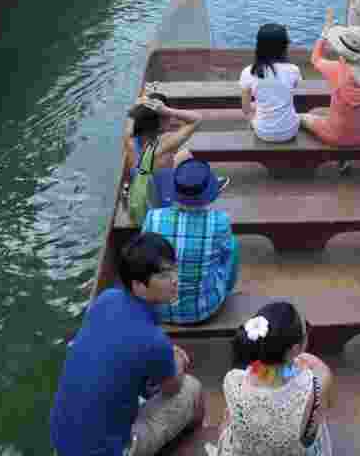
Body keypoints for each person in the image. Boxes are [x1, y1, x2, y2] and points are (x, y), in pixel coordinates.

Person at [50, 232, 205, 456]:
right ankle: (191, 445)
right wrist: (177, 362)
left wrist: (164, 355)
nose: (174, 279)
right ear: (139, 286)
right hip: (110, 451)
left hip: (61, 441)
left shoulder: (106, 299)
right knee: (192, 388)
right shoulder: (154, 341)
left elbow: (122, 347)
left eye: (173, 268)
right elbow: (172, 388)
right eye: (163, 275)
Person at [218, 301, 335, 456]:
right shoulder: (310, 385)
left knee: (228, 419)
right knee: (318, 419)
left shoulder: (234, 380)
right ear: (295, 349)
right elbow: (325, 402)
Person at [142, 158, 239, 324]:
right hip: (204, 310)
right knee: (233, 246)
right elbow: (226, 257)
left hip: (159, 308)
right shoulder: (220, 221)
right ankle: (225, 291)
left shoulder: (153, 217)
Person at [124, 90, 229, 208]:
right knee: (189, 163)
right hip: (161, 205)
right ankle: (205, 186)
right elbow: (197, 119)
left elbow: (131, 116)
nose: (172, 119)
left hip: (140, 196)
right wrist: (167, 110)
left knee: (184, 154)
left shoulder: (130, 138)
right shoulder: (164, 144)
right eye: (168, 116)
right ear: (159, 120)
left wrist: (142, 105)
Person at [298, 9, 360, 147]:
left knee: (302, 117)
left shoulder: (335, 70)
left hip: (337, 136)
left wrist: (325, 32)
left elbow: (315, 59)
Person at [240, 23, 302, 142]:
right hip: (290, 130)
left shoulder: (248, 72)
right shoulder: (293, 70)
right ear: (284, 47)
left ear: (259, 46)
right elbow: (291, 90)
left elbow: (246, 109)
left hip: (263, 132)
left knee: (252, 121)